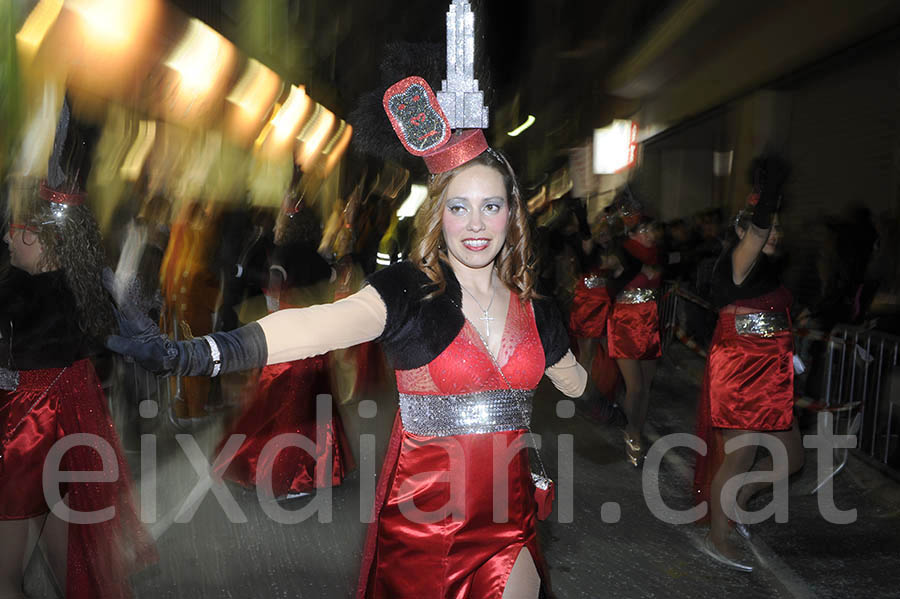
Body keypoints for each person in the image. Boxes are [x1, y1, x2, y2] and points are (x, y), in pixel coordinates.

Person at [108, 143, 587, 597]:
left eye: (492, 205)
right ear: (439, 214)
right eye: (459, 206)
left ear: (513, 213)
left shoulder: (537, 310)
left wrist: (612, 409)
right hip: (427, 528)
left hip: (511, 523)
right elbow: (314, 326)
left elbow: (571, 377)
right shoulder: (407, 293)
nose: (476, 224)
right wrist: (193, 355)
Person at [0, 175, 154, 598]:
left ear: (44, 240)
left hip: (25, 437)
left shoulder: (17, 297)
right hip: (67, 440)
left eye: (16, 229)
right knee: (73, 569)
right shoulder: (82, 291)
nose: (8, 239)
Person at [692, 153, 804, 572]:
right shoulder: (738, 260)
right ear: (742, 230)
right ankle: (716, 538)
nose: (772, 233)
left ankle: (734, 503)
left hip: (771, 373)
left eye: (777, 228)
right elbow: (757, 229)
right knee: (738, 457)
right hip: (741, 371)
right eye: (765, 227)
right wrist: (770, 190)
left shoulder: (767, 270)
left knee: (791, 459)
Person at [212, 202, 354, 499]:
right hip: (316, 342)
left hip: (287, 341)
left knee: (276, 408)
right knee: (313, 407)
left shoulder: (280, 258)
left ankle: (281, 474)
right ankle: (311, 472)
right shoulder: (322, 262)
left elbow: (273, 303)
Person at [606, 206, 662, 467]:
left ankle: (637, 427)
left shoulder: (655, 256)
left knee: (647, 385)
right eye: (646, 230)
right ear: (634, 232)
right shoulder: (622, 254)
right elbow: (608, 279)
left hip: (649, 323)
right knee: (635, 386)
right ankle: (631, 430)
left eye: (653, 229)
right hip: (626, 324)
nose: (652, 234)